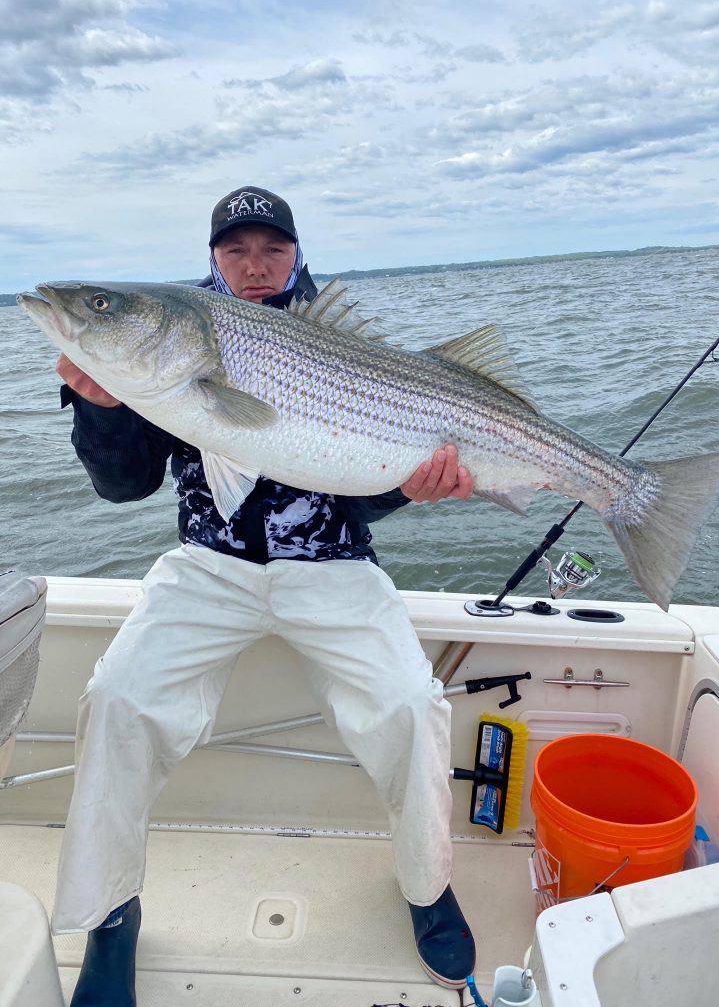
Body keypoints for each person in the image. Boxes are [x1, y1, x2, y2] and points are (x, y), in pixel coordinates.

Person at [53, 186, 477, 1005]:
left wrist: (410, 487)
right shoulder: (173, 337)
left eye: (271, 250)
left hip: (332, 565)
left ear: (296, 254)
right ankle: (109, 913)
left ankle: (428, 887)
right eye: (235, 251)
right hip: (208, 566)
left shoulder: (334, 333)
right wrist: (102, 412)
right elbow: (125, 486)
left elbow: (361, 482)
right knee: (116, 697)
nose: (254, 267)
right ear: (211, 257)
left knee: (409, 704)